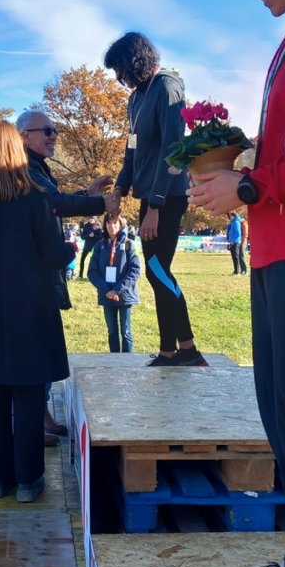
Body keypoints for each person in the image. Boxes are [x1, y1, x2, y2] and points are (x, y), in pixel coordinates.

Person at [187, 0, 285, 567]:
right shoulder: (284, 48)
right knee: (281, 422)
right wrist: (239, 164)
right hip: (270, 256)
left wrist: (249, 189)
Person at [0, 119, 75, 503]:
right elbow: (53, 255)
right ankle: (28, 480)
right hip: (32, 304)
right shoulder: (36, 196)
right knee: (27, 392)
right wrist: (69, 247)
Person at [104, 32, 207, 367]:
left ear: (136, 60)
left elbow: (174, 151)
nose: (120, 78)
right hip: (148, 198)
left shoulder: (167, 87)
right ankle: (171, 351)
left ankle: (188, 350)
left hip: (167, 198)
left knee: (158, 271)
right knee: (155, 273)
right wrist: (120, 187)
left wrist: (157, 207)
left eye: (121, 69)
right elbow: (132, 150)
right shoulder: (136, 99)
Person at [16, 109, 119, 442]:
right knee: (34, 350)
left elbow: (55, 203)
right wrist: (101, 202)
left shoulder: (35, 168)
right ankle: (29, 420)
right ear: (23, 136)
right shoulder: (23, 169)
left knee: (41, 348)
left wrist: (88, 196)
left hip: (40, 275)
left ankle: (38, 413)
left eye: (55, 129)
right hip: (32, 278)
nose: (53, 135)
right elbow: (54, 204)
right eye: (46, 130)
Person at [88, 214, 140, 352]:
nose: (112, 226)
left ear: (121, 224)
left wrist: (117, 290)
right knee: (112, 332)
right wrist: (107, 291)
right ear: (105, 225)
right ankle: (114, 362)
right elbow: (92, 272)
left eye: (115, 223)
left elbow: (135, 270)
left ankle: (126, 363)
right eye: (109, 223)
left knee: (126, 332)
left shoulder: (129, 244)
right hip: (106, 295)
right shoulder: (99, 245)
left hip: (124, 295)